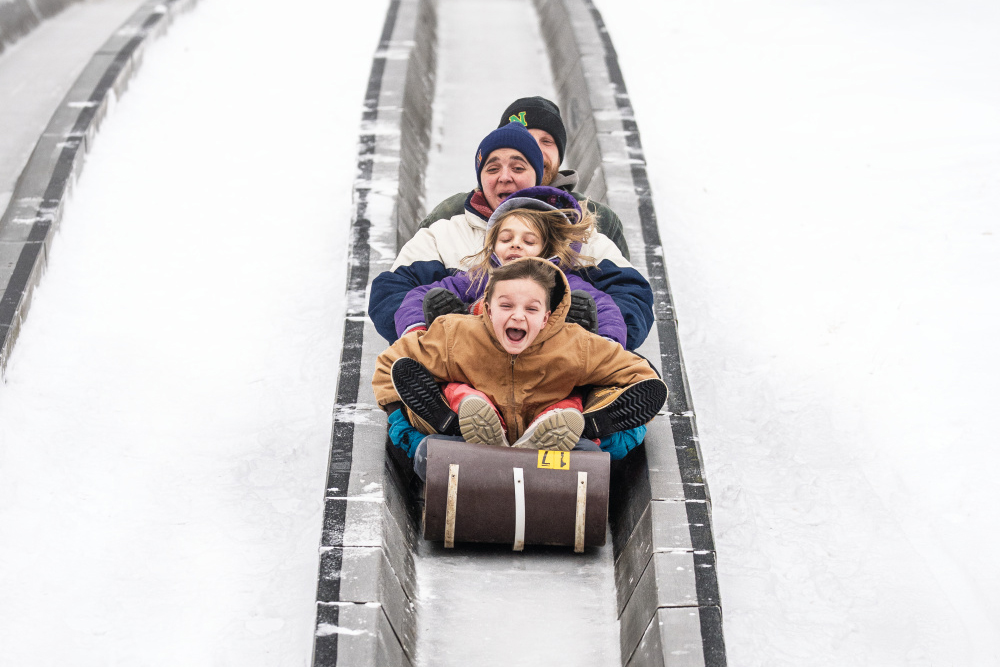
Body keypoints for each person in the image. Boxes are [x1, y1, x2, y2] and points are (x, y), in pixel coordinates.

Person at [369, 121, 654, 351]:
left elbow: (631, 295)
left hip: (558, 365)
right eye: (493, 168)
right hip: (467, 362)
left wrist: (593, 339)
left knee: (633, 373)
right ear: (481, 178)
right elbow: (391, 293)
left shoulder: (578, 238)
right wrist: (434, 334)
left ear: (538, 175)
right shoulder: (443, 234)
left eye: (518, 168)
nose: (504, 176)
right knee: (396, 374)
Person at [372, 258, 667, 475]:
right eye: (506, 306)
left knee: (587, 442)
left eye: (531, 309)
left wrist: (598, 432)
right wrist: (409, 434)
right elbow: (390, 366)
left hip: (550, 458)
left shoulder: (576, 344)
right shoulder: (456, 335)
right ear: (487, 308)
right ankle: (453, 419)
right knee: (438, 430)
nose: (518, 316)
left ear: (547, 317)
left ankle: (580, 424)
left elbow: (642, 380)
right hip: (465, 446)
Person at [393, 186, 628, 347]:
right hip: (482, 366)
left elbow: (607, 310)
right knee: (440, 379)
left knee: (616, 375)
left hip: (547, 370)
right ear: (493, 245)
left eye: (528, 241)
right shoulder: (480, 279)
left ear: (546, 249)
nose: (515, 245)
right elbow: (418, 296)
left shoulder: (562, 286)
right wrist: (416, 331)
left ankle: (599, 406)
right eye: (506, 239)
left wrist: (607, 345)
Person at [418, 96, 630, 258]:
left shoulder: (596, 218)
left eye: (546, 141)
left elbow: (625, 294)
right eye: (525, 139)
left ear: (560, 155)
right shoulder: (452, 213)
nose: (535, 150)